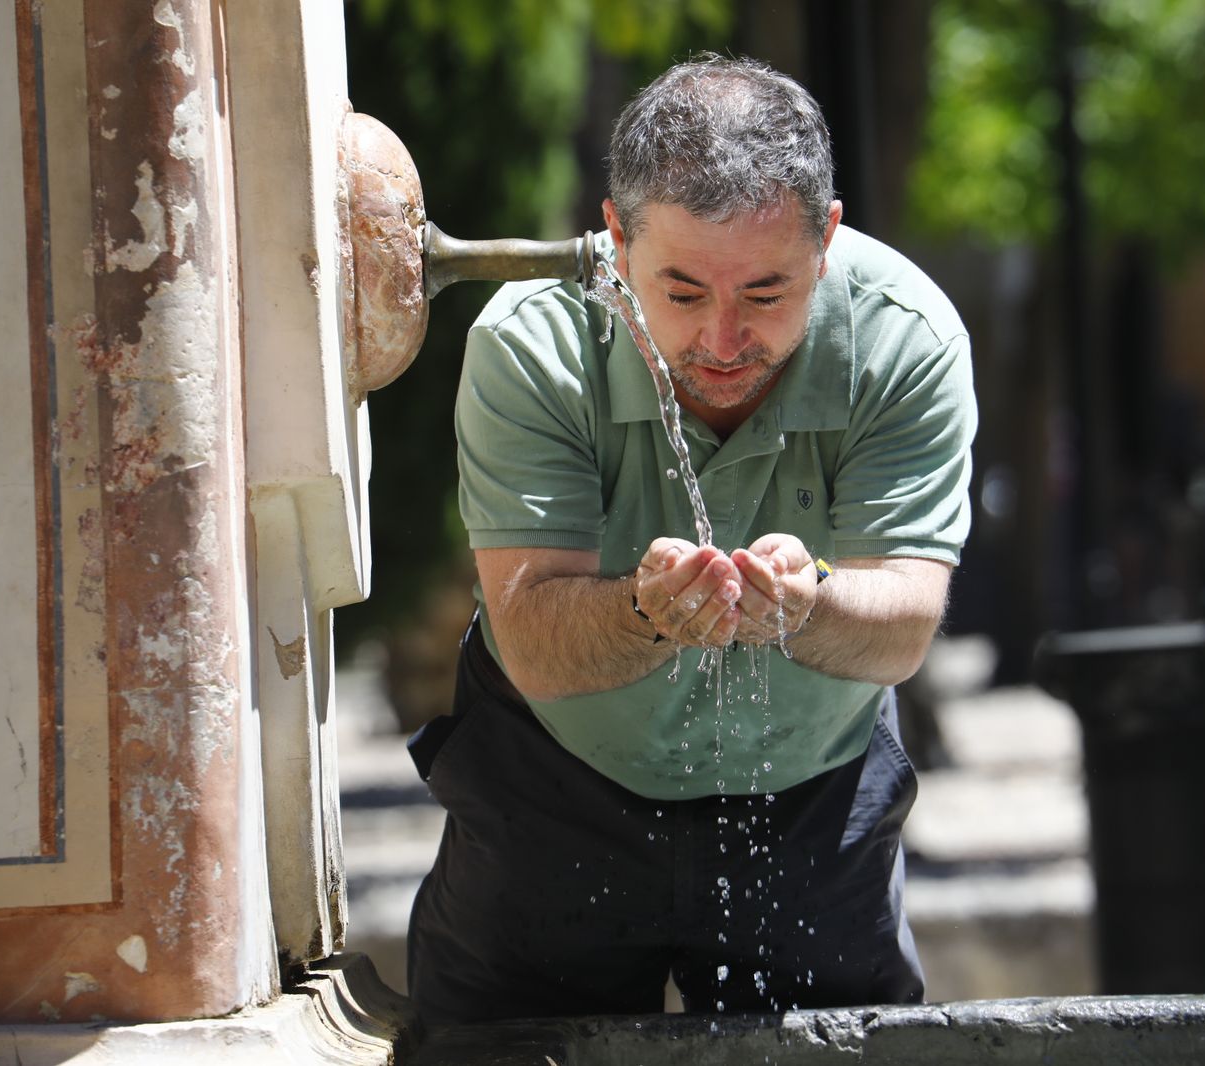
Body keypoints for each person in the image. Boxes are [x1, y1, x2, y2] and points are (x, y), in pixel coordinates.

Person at [404, 55, 976, 1023]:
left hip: (810, 790)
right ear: (614, 239)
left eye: (764, 293)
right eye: (679, 291)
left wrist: (811, 603)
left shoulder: (901, 337)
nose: (720, 339)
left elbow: (903, 624)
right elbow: (534, 638)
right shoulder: (531, 342)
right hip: (555, 781)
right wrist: (643, 612)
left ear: (826, 238)